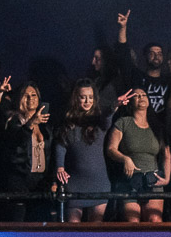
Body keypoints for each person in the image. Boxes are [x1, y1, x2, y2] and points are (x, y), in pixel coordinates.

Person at [55, 80, 129, 223]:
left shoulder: (98, 120)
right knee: (73, 227)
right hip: (75, 183)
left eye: (90, 97)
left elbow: (107, 117)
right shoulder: (67, 121)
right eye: (83, 97)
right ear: (76, 98)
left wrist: (114, 106)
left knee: (95, 229)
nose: (87, 100)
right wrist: (59, 167)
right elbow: (60, 145)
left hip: (99, 182)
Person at [106, 88, 170, 223]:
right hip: (130, 180)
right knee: (132, 221)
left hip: (152, 180)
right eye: (137, 96)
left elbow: (166, 153)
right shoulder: (123, 122)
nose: (141, 97)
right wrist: (125, 158)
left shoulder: (156, 125)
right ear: (131, 102)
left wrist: (167, 178)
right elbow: (111, 149)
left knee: (154, 219)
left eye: (143, 95)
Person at [0, 82, 51, 222]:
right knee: (18, 223)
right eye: (26, 95)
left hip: (40, 182)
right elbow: (14, 142)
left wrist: (52, 179)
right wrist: (30, 124)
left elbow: (50, 152)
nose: (31, 98)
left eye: (34, 95)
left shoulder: (44, 124)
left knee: (40, 225)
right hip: (18, 180)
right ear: (19, 98)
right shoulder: (11, 120)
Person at [113, 10, 171, 117]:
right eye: (152, 53)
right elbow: (124, 56)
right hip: (140, 126)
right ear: (145, 56)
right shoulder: (137, 76)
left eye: (159, 53)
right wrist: (123, 28)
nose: (156, 56)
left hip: (161, 129)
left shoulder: (169, 81)